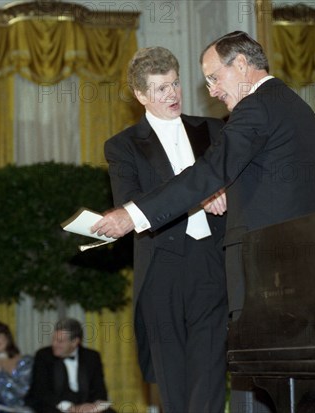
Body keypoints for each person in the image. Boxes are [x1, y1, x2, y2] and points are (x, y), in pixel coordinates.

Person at [92, 31, 315, 411]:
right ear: (140, 96)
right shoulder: (292, 105)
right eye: (159, 88)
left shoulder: (246, 113)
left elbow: (214, 171)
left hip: (236, 265)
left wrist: (134, 214)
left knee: (231, 376)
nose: (212, 90)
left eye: (213, 78)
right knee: (260, 379)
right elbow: (239, 177)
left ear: (242, 66)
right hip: (178, 266)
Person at [102, 46, 228, 413]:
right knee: (172, 381)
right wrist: (200, 195)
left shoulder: (215, 129)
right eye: (160, 89)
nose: (172, 94)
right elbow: (130, 204)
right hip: (162, 267)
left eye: (175, 84)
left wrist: (225, 192)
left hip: (211, 262)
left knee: (209, 374)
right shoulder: (122, 146)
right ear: (141, 95)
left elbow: (238, 182)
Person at [24, 318, 114, 413]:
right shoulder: (43, 355)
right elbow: (41, 391)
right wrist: (70, 408)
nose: (54, 344)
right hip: (54, 405)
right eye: (54, 339)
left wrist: (92, 406)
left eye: (60, 341)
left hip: (85, 406)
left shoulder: (92, 357)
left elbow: (99, 389)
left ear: (75, 342)